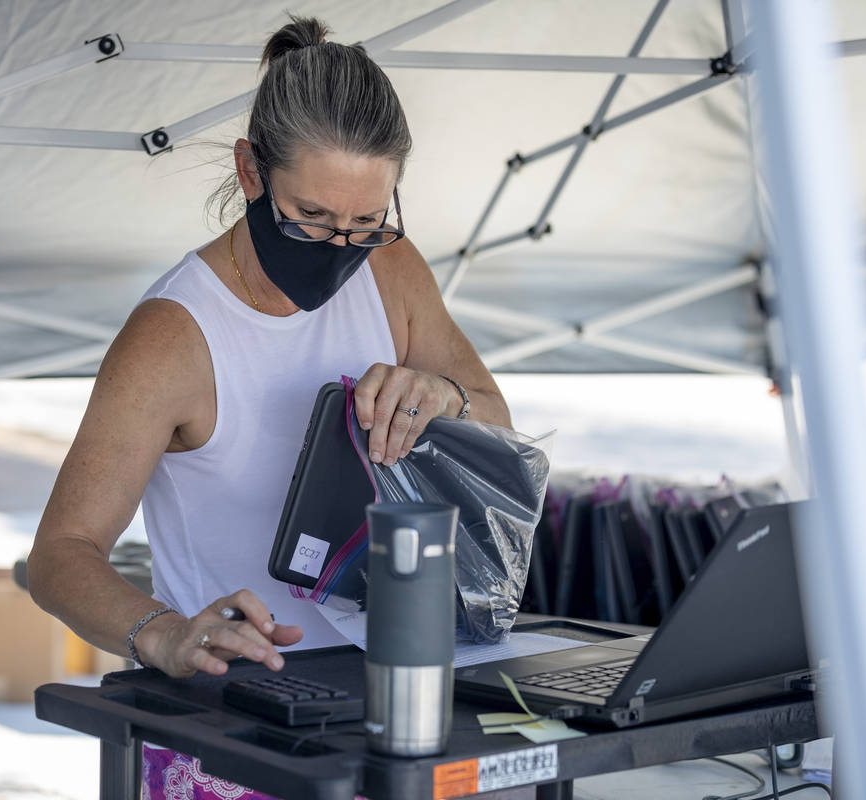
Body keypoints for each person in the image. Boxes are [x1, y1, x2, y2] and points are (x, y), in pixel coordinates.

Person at [27, 15, 510, 687]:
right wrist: (165, 634)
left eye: (366, 221)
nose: (341, 244)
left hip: (403, 681)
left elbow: (499, 427)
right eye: (310, 217)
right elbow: (60, 555)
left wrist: (446, 398)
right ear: (249, 170)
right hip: (240, 707)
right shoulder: (174, 338)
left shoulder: (391, 270)